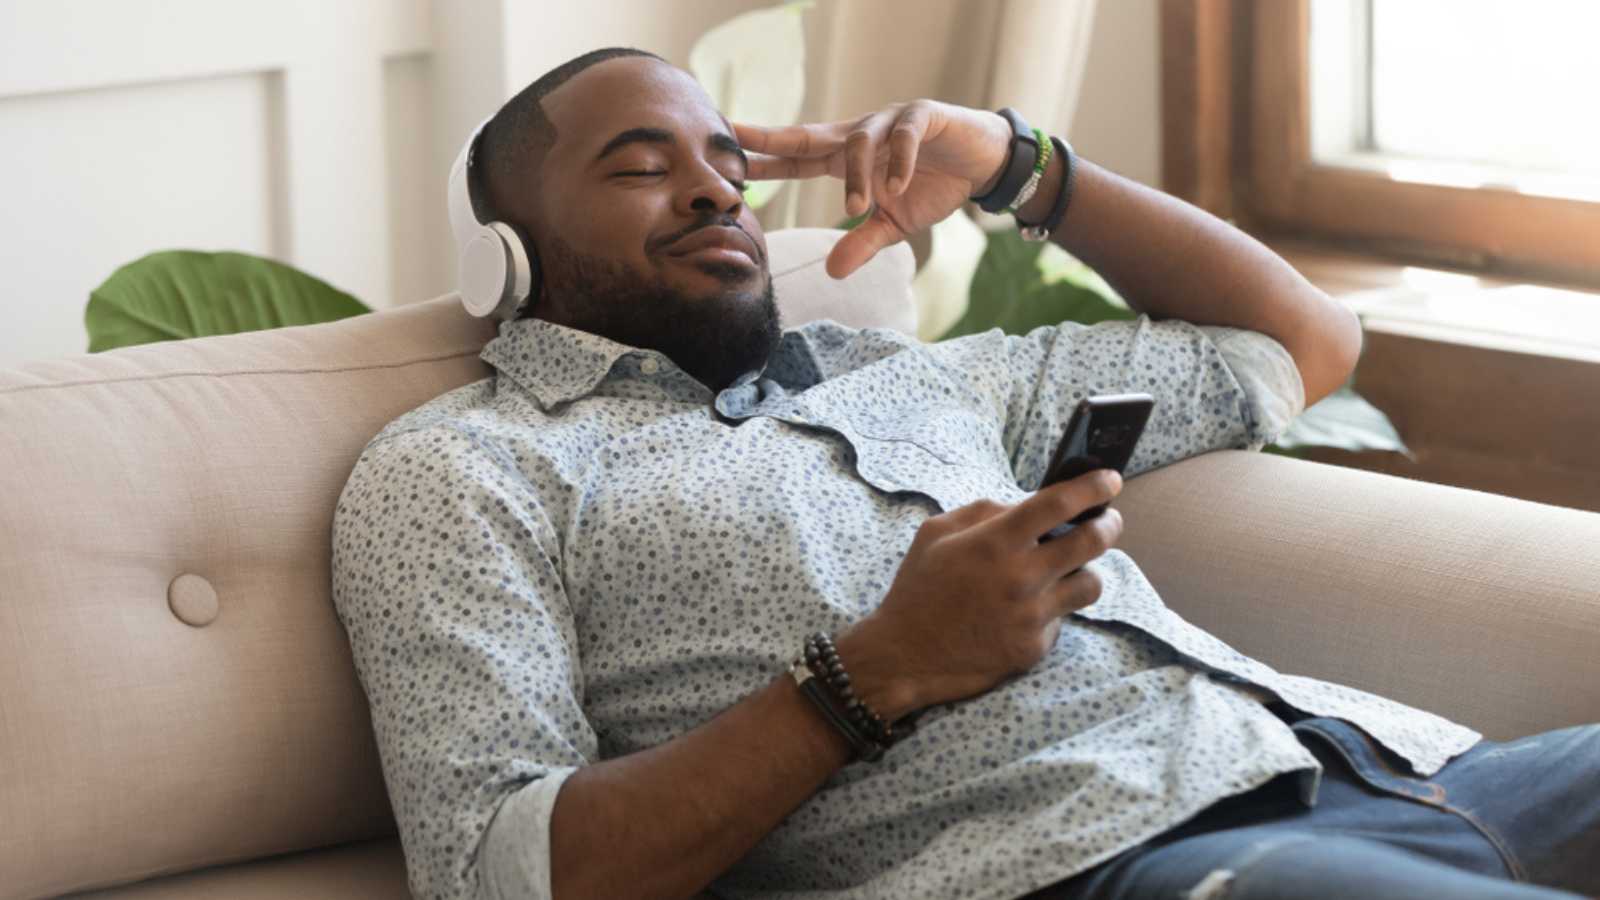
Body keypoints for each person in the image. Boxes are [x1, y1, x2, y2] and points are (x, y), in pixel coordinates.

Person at [329, 47, 1598, 900]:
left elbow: (1302, 342)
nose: (716, 192)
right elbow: (500, 868)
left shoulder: (910, 371)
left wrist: (1010, 162)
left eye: (726, 162)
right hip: (1115, 861)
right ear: (505, 252)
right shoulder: (462, 471)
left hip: (1390, 766)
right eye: (643, 166)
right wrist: (876, 670)